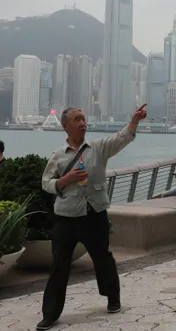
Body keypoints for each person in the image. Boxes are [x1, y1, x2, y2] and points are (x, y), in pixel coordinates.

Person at [38, 104, 148, 330]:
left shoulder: (98, 148)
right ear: (65, 126)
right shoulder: (58, 156)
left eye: (84, 119)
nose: (83, 123)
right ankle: (50, 313)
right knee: (59, 265)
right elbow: (46, 183)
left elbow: (122, 138)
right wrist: (65, 180)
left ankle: (112, 298)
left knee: (103, 259)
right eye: (77, 119)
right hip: (66, 218)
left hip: (94, 214)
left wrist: (134, 120)